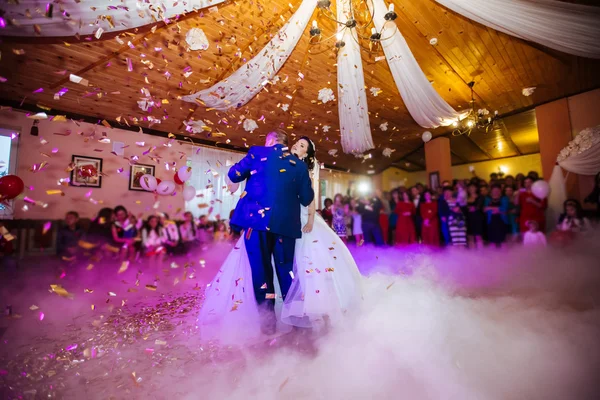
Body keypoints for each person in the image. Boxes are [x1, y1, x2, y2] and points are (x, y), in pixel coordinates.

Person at [198, 133, 362, 344]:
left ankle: (268, 325)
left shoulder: (257, 152)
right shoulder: (298, 166)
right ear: (286, 144)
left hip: (256, 226)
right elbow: (306, 198)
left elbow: (234, 173)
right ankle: (296, 321)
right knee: (287, 272)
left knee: (262, 274)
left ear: (270, 141)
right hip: (286, 226)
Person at [465, 183, 484, 249]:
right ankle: (472, 254)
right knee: (470, 236)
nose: (471, 189)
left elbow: (478, 207)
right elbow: (464, 207)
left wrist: (472, 208)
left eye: (473, 187)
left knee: (478, 235)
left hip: (477, 218)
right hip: (468, 218)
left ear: (476, 188)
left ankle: (481, 253)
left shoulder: (480, 196)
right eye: (470, 187)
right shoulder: (466, 197)